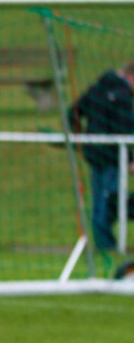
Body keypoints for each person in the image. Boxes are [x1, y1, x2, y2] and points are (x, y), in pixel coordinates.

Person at [68, 61, 134, 254]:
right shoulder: (121, 96)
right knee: (110, 201)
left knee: (103, 200)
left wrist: (79, 139)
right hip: (113, 158)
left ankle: (105, 244)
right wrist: (130, 159)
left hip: (96, 156)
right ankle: (106, 245)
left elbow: (72, 113)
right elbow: (123, 129)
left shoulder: (96, 89)